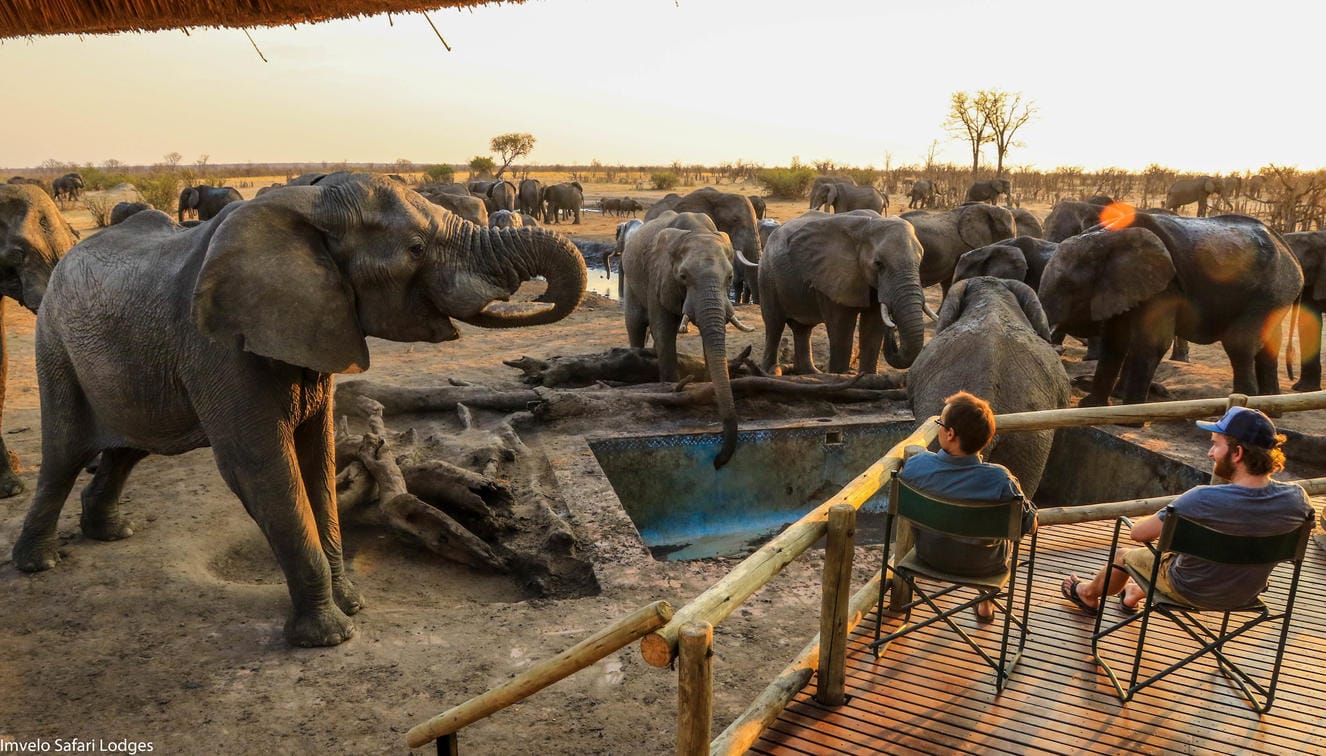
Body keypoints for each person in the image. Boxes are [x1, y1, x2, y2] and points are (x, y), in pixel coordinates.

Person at [1062, 406, 1315, 615]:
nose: (1210, 453)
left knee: (1125, 555)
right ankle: (1133, 594)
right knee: (1186, 557)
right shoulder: (1297, 499)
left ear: (1237, 453)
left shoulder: (1201, 499)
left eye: (1216, 445)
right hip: (1245, 593)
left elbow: (1139, 534)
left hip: (1188, 589)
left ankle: (1087, 593)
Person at [898, 391, 1037, 623]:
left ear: (950, 434)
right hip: (985, 567)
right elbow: (1030, 527)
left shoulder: (916, 466)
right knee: (998, 537)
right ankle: (986, 602)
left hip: (928, 557)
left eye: (940, 423)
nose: (939, 427)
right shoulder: (1000, 480)